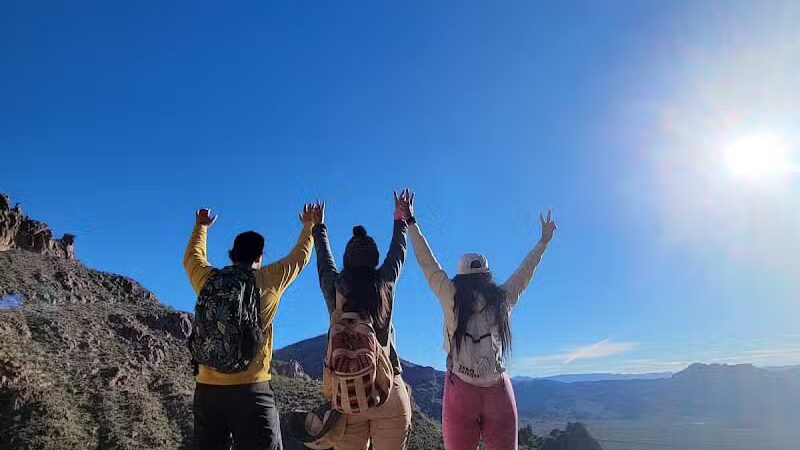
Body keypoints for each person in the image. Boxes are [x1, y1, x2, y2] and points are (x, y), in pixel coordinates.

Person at [406, 194, 556, 450]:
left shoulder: (450, 294)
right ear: (487, 275)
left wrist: (410, 221)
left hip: (460, 392)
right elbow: (525, 272)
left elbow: (427, 263)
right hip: (497, 390)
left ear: (460, 276)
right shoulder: (502, 299)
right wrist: (543, 242)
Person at [184, 203, 322, 450]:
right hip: (252, 389)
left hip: (207, 391)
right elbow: (300, 257)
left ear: (231, 254)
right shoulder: (269, 279)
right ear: (259, 257)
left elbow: (193, 258)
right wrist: (309, 226)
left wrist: (201, 227)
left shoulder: (208, 279)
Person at [311, 190, 414, 450]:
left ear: (347, 259)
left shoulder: (334, 286)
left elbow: (324, 261)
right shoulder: (384, 282)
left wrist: (318, 226)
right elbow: (398, 252)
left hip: (347, 395)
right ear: (375, 258)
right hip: (388, 388)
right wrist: (400, 217)